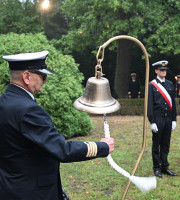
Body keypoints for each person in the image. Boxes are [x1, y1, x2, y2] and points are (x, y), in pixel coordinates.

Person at [0, 51, 115, 200]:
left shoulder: (4, 101)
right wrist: (101, 147)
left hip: (9, 188)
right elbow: (61, 150)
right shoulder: (28, 110)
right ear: (27, 77)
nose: (45, 80)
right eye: (43, 76)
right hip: (32, 192)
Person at [147, 60, 177, 178]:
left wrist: (174, 119)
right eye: (161, 70)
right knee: (156, 144)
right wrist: (152, 121)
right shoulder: (151, 85)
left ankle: (165, 166)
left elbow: (173, 103)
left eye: (165, 70)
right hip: (158, 119)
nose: (163, 72)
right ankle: (157, 168)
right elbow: (149, 105)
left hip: (168, 119)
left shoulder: (170, 84)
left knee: (166, 144)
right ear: (156, 71)